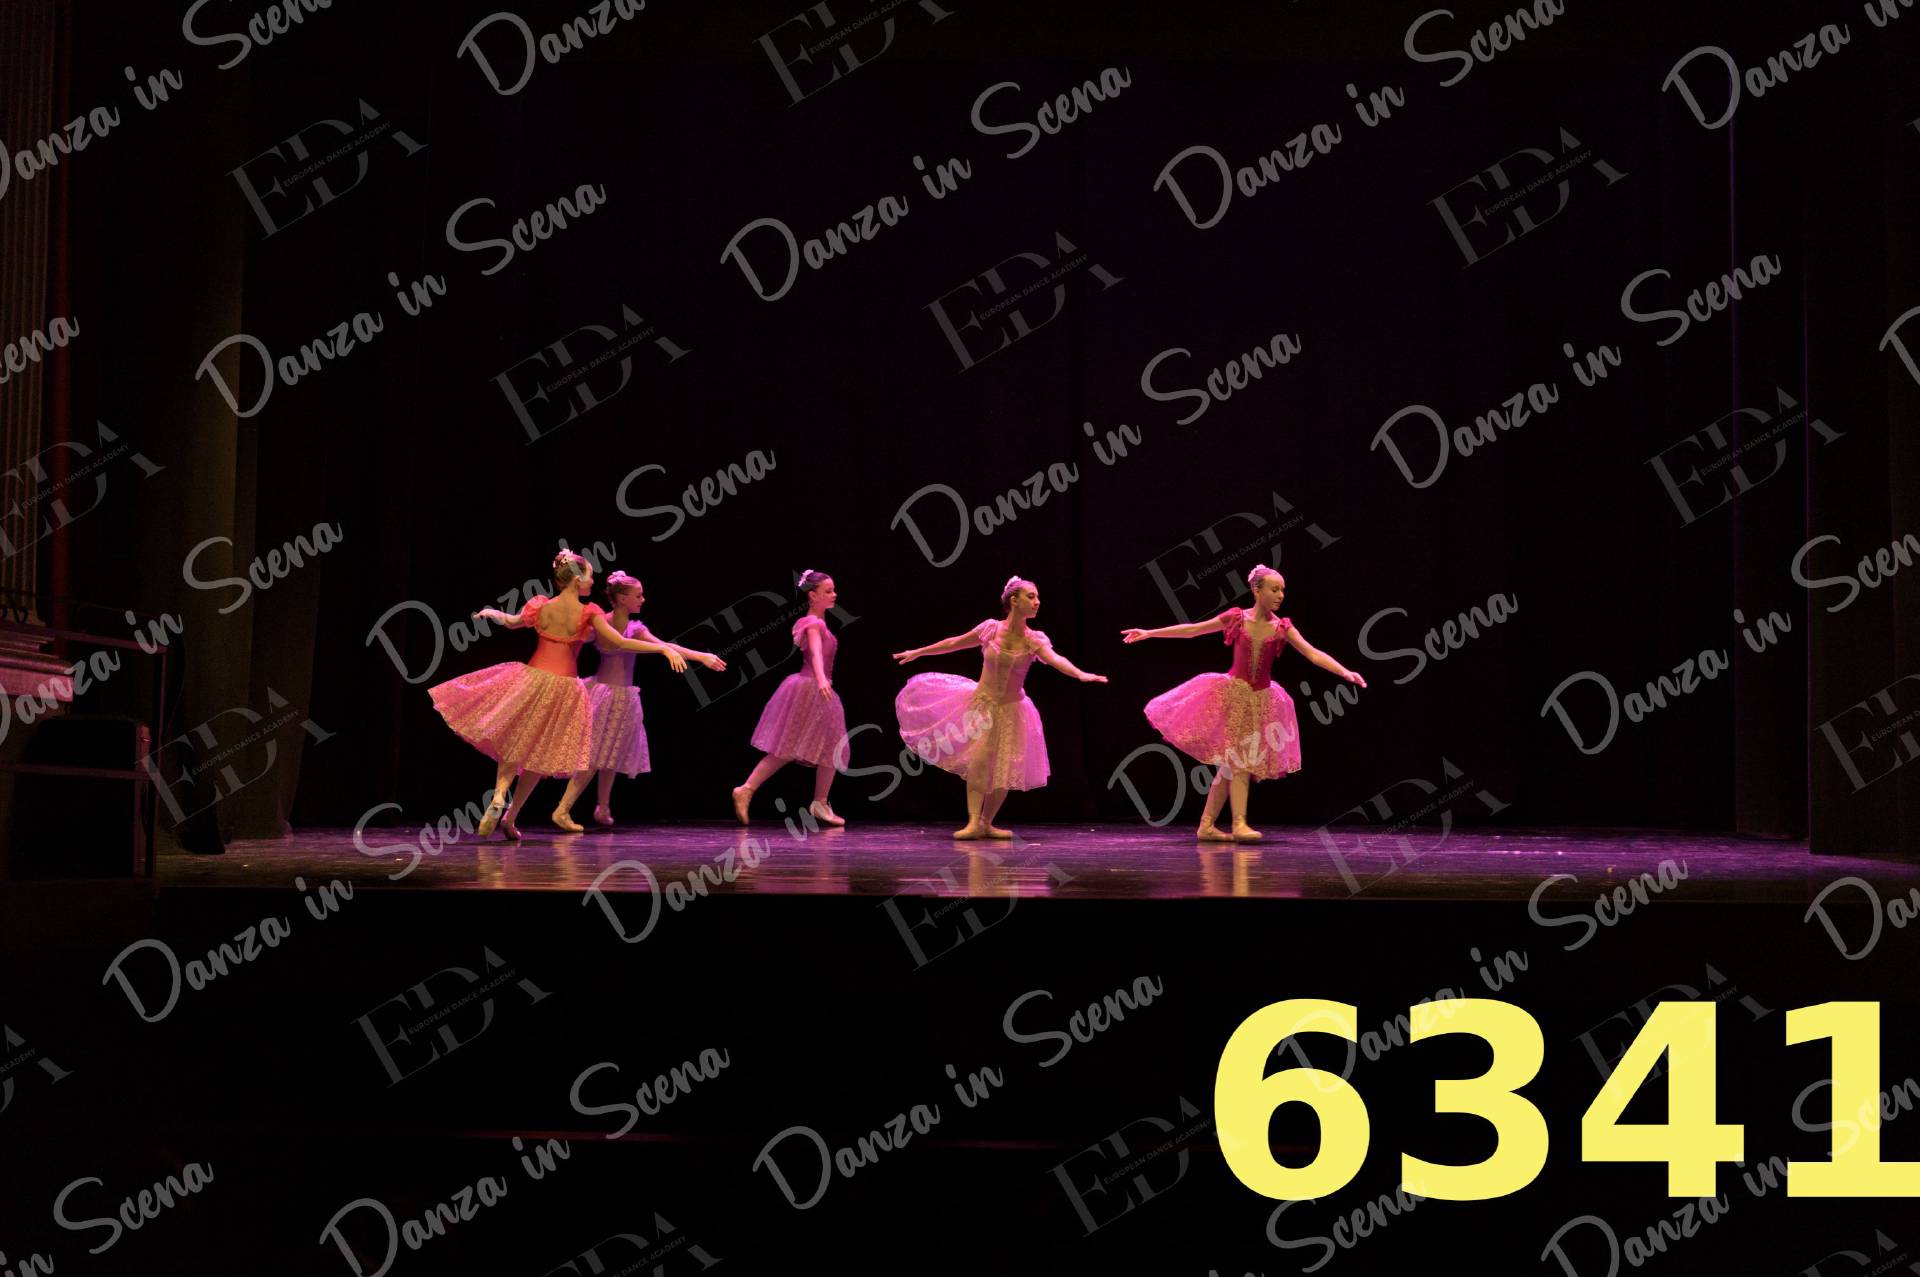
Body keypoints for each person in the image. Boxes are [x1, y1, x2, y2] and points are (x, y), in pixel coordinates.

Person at [429, 549, 688, 838]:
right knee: (538, 756)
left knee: (515, 741)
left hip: (533, 680)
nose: (593, 581)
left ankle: (500, 795)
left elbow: (512, 622)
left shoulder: (542, 605)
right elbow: (619, 641)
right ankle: (511, 816)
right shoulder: (589, 612)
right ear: (577, 580)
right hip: (564, 689)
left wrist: (493, 614)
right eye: (590, 576)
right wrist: (662, 648)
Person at [1122, 564, 1366, 841]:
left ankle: (1206, 826)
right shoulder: (1237, 618)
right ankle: (1238, 824)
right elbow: (1193, 630)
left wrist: (1344, 672)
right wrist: (1150, 632)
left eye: (1283, 590)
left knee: (1232, 764)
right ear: (1257, 591)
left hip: (1261, 700)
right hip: (1234, 696)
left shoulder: (1282, 627)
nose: (1280, 595)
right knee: (1239, 762)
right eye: (1274, 589)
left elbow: (1313, 654)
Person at [893, 575, 1107, 840]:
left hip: (1012, 709)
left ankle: (986, 822)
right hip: (982, 705)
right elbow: (953, 642)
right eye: (1031, 596)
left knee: (1004, 765)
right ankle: (973, 822)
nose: (1037, 602)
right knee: (980, 762)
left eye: (1038, 597)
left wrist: (1080, 674)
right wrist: (918, 651)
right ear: (1014, 600)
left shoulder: (1034, 639)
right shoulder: (990, 629)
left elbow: (1056, 659)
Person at [584, 570, 726, 826]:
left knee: (609, 754)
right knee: (591, 753)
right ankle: (564, 806)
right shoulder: (600, 623)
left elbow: (667, 645)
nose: (643, 599)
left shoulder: (635, 629)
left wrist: (701, 656)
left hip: (622, 697)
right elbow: (574, 638)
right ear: (622, 598)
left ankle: (602, 806)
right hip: (599, 693)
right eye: (638, 595)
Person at [733, 570, 849, 827]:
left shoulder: (817, 621)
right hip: (812, 688)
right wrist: (821, 679)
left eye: (833, 590)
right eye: (828, 591)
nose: (834, 594)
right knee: (796, 748)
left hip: (816, 687)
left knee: (824, 747)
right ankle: (748, 789)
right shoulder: (813, 623)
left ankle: (818, 802)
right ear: (813, 595)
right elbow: (815, 653)